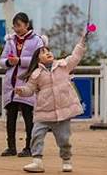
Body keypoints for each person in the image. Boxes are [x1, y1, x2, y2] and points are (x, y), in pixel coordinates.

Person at [15, 32, 90, 173]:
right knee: (36, 135)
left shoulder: (64, 65)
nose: (47, 53)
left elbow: (76, 56)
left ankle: (66, 160)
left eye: (48, 51)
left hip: (63, 113)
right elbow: (30, 89)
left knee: (64, 139)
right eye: (43, 52)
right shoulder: (36, 74)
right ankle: (37, 161)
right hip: (43, 112)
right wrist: (22, 91)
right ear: (38, 60)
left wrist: (82, 42)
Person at [0, 13, 45, 157]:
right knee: (10, 116)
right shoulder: (10, 40)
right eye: (15, 25)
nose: (16, 28)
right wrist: (8, 62)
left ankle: (29, 147)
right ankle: (11, 146)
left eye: (19, 25)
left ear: (26, 25)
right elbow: (2, 60)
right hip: (11, 84)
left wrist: (19, 60)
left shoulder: (37, 40)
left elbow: (39, 59)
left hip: (28, 83)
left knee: (28, 116)